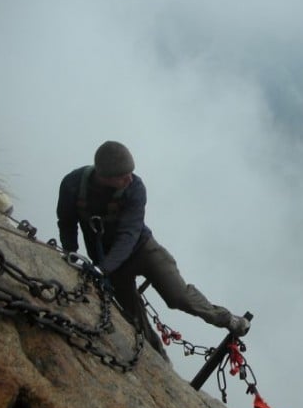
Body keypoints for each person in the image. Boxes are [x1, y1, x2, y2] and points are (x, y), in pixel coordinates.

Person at [57, 141, 250, 358]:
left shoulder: (135, 188)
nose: (130, 178)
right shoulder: (73, 185)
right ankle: (161, 362)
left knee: (178, 296)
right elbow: (66, 222)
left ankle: (226, 319)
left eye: (131, 173)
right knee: (134, 319)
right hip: (108, 262)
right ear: (106, 176)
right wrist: (70, 253)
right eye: (123, 175)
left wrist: (103, 269)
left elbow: (128, 235)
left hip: (142, 250)